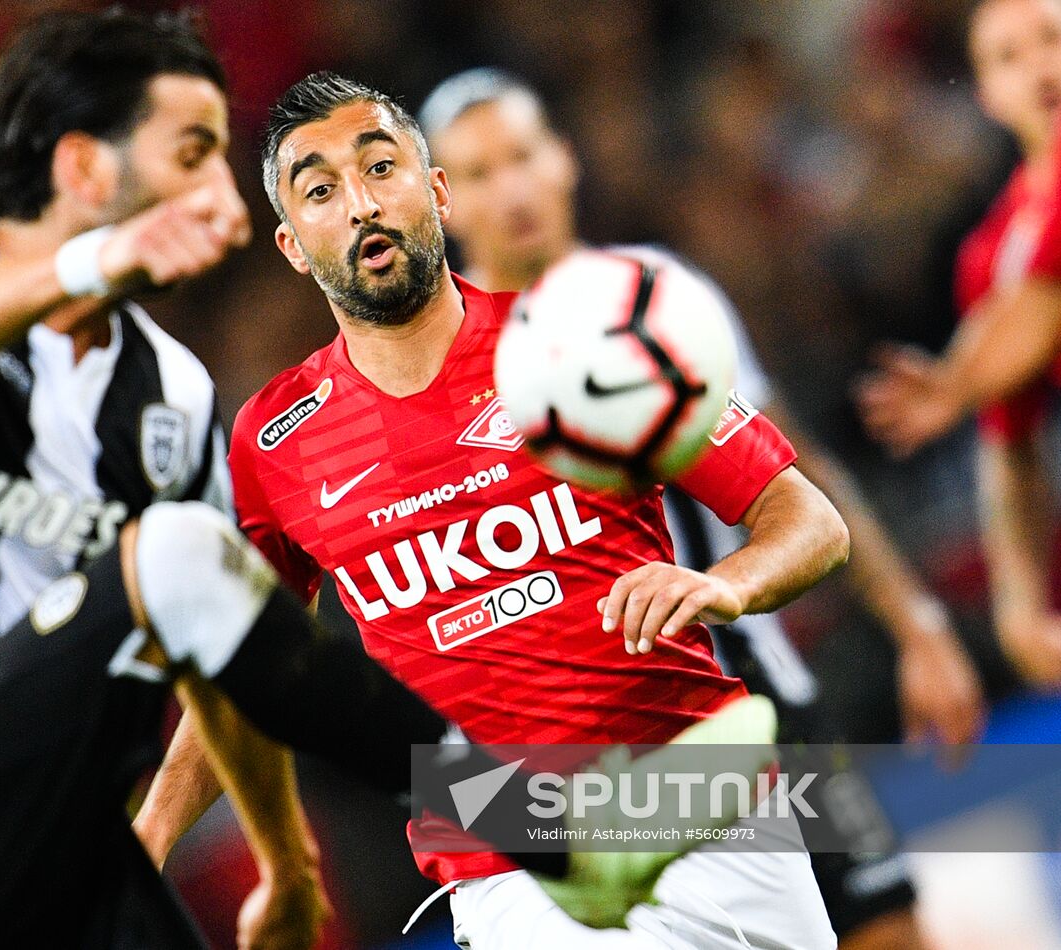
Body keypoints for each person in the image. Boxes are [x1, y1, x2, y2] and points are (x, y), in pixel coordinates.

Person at [0, 13, 632, 949]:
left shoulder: (172, 394)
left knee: (190, 568)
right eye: (193, 154)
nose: (223, 195)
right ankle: (541, 827)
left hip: (43, 846)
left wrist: (288, 863)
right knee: (171, 552)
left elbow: (223, 648)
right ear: (86, 170)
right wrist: (95, 262)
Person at [139, 71, 847, 948]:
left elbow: (809, 520)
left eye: (381, 168)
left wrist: (729, 584)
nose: (360, 204)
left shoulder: (588, 341)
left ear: (436, 193)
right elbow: (243, 677)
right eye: (321, 190)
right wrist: (149, 838)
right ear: (292, 244)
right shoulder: (273, 443)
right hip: (516, 868)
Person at [417, 67, 988, 950]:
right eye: (480, 172)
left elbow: (795, 471)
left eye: (523, 156)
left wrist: (915, 625)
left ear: (564, 160)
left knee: (889, 931)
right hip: (582, 757)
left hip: (752, 693)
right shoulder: (434, 375)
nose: (513, 190)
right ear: (445, 202)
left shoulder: (657, 296)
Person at [858, 0, 1061, 687]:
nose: (1039, 64)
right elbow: (1011, 443)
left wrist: (960, 381)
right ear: (987, 96)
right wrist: (1020, 605)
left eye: (1052, 38)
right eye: (1008, 56)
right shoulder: (990, 255)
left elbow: (1040, 304)